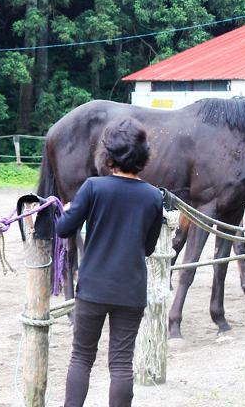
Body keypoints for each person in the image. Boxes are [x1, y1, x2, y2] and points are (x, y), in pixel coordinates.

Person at [55, 117, 165, 407]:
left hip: (93, 288)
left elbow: (64, 229)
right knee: (120, 365)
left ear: (107, 153)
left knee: (81, 358)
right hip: (130, 291)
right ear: (143, 155)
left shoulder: (93, 188)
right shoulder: (154, 197)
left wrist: (67, 210)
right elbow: (149, 247)